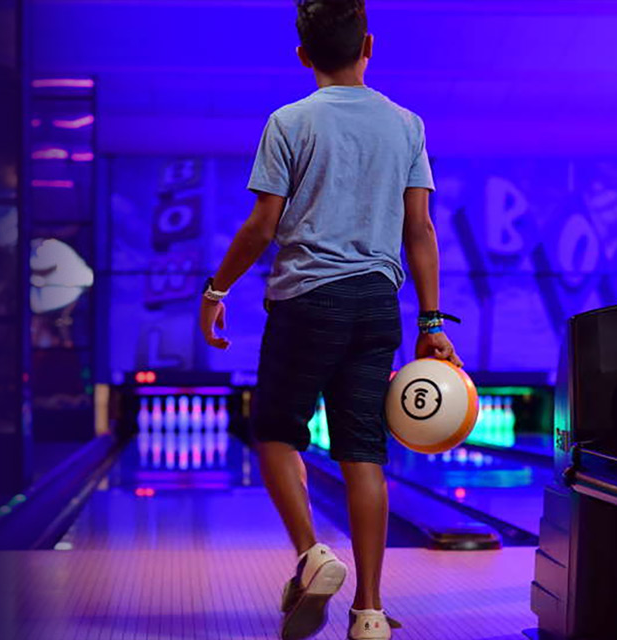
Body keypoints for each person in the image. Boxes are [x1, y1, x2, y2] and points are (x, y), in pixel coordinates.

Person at [197, 2, 462, 638]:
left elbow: (262, 224)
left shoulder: (289, 122)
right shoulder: (406, 125)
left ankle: (313, 555)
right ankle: (368, 612)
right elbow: (419, 228)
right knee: (364, 454)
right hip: (378, 304)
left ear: (302, 55)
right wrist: (431, 321)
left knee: (275, 432)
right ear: (369, 44)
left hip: (307, 301)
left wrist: (216, 288)